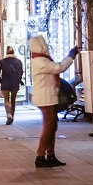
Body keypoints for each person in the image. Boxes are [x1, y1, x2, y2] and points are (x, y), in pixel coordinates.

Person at [29, 35, 78, 168]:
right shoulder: (40, 61)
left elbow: (56, 67)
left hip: (48, 97)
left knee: (52, 126)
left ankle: (50, 155)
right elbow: (59, 68)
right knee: (49, 126)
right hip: (45, 98)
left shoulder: (41, 59)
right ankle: (40, 156)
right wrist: (70, 56)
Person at [0, 46, 25, 125]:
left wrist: (1, 81)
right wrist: (18, 80)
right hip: (15, 83)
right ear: (13, 52)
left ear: (6, 53)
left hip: (5, 82)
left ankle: (8, 115)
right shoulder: (18, 61)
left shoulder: (2, 61)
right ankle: (12, 115)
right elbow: (21, 72)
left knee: (6, 100)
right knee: (13, 100)